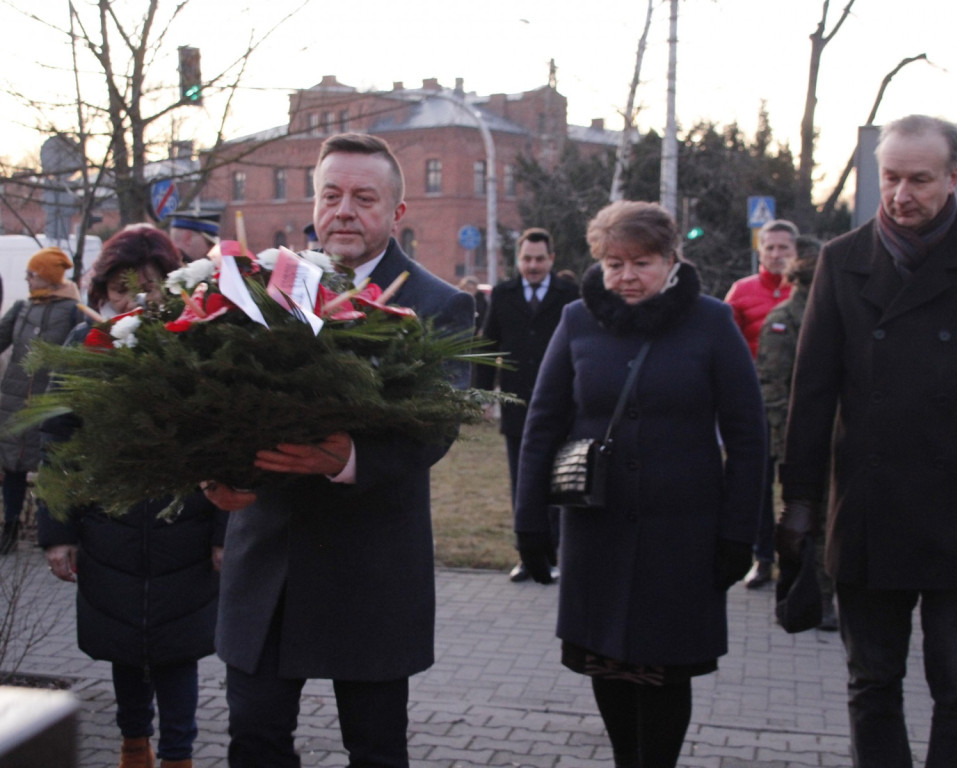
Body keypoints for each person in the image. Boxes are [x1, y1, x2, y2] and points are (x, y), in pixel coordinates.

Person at [204, 133, 475, 768]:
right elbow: (211, 401)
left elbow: (438, 422)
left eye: (364, 197)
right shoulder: (258, 290)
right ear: (315, 201)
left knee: (376, 749)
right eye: (332, 195)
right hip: (270, 559)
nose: (345, 211)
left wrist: (346, 456)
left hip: (371, 564)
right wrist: (212, 475)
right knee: (254, 739)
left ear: (397, 213)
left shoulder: (439, 304)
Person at [778, 114, 957, 768]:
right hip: (868, 512)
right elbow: (811, 397)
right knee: (872, 684)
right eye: (890, 177)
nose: (901, 194)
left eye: (919, 179)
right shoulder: (842, 260)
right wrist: (796, 507)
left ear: (955, 178)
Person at [515, 200, 765, 768]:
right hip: (596, 528)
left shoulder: (711, 322)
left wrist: (738, 534)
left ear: (672, 260)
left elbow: (749, 436)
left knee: (664, 669)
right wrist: (530, 520)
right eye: (613, 263)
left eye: (642, 263)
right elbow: (543, 423)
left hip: (682, 534)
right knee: (606, 659)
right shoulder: (577, 320)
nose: (626, 276)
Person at [37, 225, 226, 768]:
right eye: (122, 288)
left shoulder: (199, 342)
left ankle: (179, 755)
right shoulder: (84, 347)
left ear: (172, 284)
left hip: (183, 528)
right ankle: (132, 745)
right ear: (102, 292)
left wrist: (221, 533)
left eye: (149, 285)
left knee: (178, 652)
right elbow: (58, 442)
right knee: (124, 647)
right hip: (108, 530)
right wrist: (59, 532)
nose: (137, 299)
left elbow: (225, 446)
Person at [475, 228, 577, 582]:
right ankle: (527, 557)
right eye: (526, 259)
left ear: (551, 259)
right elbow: (487, 347)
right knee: (523, 483)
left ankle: (556, 555)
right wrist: (484, 396)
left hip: (563, 407)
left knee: (560, 482)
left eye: (539, 259)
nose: (532, 266)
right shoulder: (503, 295)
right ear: (518, 260)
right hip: (518, 408)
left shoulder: (570, 296)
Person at [755, 235, 838, 630]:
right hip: (800, 440)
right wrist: (783, 439)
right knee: (803, 521)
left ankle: (816, 597)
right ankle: (805, 597)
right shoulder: (786, 319)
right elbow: (772, 385)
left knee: (816, 519)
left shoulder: (836, 315)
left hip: (821, 438)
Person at [725, 218, 799, 589]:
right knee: (757, 484)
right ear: (759, 251)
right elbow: (725, 348)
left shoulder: (808, 293)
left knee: (797, 488)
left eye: (783, 247)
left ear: (795, 252)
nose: (776, 254)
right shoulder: (741, 291)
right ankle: (763, 557)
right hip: (754, 406)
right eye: (769, 247)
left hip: (798, 407)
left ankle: (797, 561)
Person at [0, 247, 84, 555]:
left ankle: (51, 529)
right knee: (13, 467)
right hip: (13, 400)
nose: (27, 280)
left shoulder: (74, 311)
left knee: (50, 465)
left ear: (47, 277)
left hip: (50, 403)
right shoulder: (23, 308)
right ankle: (10, 526)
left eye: (32, 275)